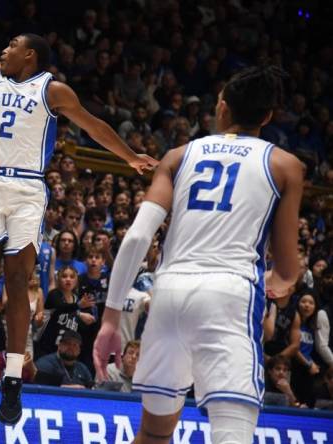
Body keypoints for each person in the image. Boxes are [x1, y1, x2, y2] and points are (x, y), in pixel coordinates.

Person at [0, 0, 157, 425]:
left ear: (30, 54)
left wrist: (128, 156)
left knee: (16, 278)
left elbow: (93, 125)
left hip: (28, 187)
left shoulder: (52, 89)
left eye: (12, 45)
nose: (3, 50)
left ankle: (11, 379)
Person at [94, 67, 304, 443]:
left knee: (154, 434)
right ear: (268, 117)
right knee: (231, 433)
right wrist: (271, 284)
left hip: (169, 292)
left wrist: (111, 318)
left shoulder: (177, 155)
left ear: (221, 108)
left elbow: (138, 235)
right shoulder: (286, 166)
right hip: (229, 294)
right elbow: (289, 271)